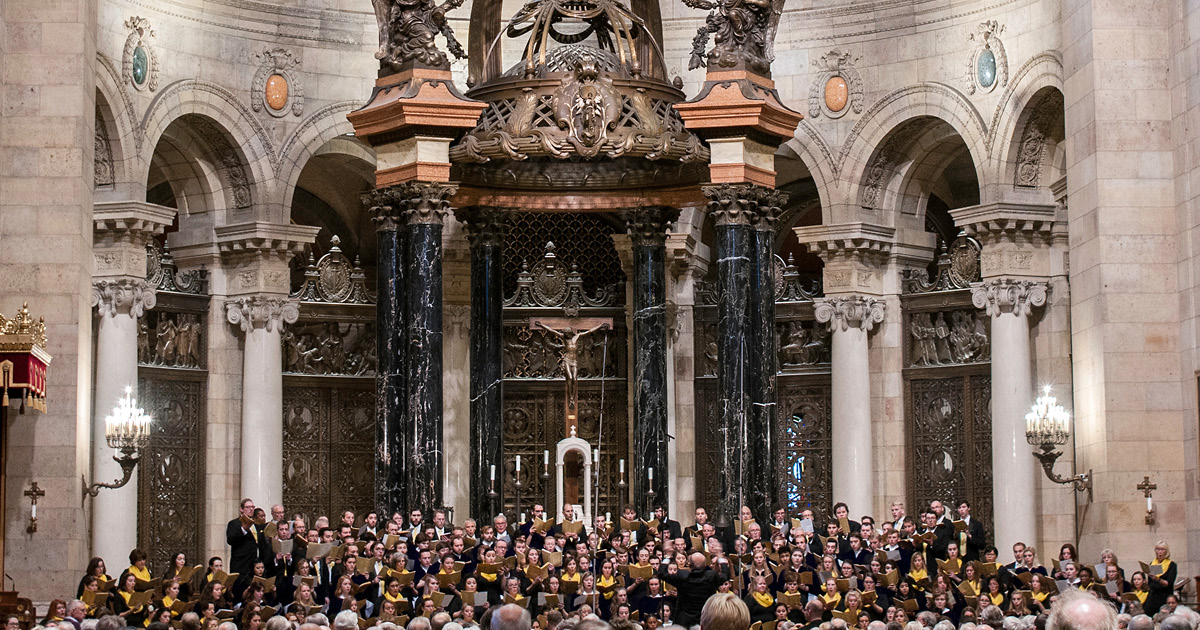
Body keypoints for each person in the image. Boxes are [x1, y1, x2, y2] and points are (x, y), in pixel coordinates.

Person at [659, 552, 730, 628]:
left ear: (689, 565)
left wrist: (668, 557)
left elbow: (662, 574)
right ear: (705, 565)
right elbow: (725, 576)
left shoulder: (682, 576)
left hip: (684, 622)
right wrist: (721, 558)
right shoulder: (711, 577)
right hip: (706, 620)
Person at [228, 498, 264, 576]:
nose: (251, 509)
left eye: (252, 507)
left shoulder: (256, 525)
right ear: (241, 509)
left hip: (254, 566)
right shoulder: (234, 523)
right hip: (241, 565)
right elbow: (231, 540)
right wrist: (243, 530)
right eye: (248, 507)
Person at [1143, 542, 1176, 616]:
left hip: (1164, 595)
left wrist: (1158, 579)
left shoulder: (1171, 565)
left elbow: (1169, 583)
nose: (1160, 552)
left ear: (1166, 551)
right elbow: (1151, 582)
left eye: (1162, 549)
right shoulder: (1153, 563)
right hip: (1153, 596)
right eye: (1157, 549)